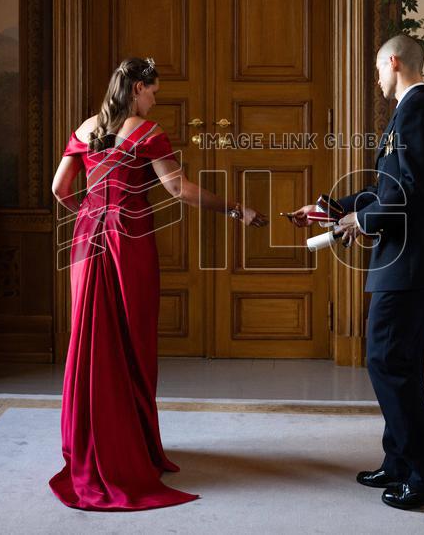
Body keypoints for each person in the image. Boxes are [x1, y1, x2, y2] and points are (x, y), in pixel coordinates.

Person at [48, 57, 267, 511]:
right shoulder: (146, 133)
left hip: (89, 239)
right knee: (131, 339)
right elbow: (180, 190)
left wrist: (91, 214)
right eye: (153, 92)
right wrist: (235, 209)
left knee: (90, 341)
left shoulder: (86, 128)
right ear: (137, 89)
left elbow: (58, 188)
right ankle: (130, 448)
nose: (154, 100)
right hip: (129, 241)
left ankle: (93, 441)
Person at [291, 35, 424, 510]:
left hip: (413, 262)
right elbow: (387, 187)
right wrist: (332, 208)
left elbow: (410, 190)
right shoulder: (409, 111)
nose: (376, 78)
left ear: (392, 61)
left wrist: (358, 222)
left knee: (387, 361)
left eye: (377, 69)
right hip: (405, 258)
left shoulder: (419, 110)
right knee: (395, 362)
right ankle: (399, 461)